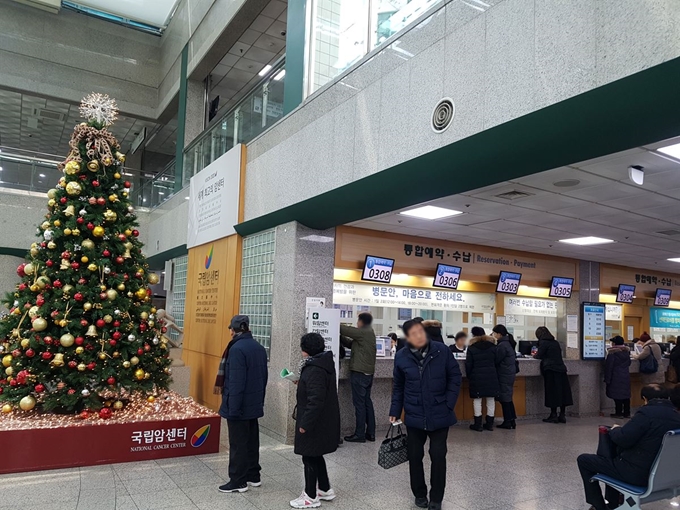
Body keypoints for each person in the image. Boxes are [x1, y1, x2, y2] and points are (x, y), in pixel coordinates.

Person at [390, 319, 462, 510]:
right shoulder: (402, 356)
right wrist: (395, 411)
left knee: (438, 456)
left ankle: (436, 498)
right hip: (414, 413)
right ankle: (419, 494)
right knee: (414, 456)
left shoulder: (442, 350)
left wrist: (449, 403)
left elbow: (455, 377)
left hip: (440, 411)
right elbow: (398, 386)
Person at [577, 384, 680, 510]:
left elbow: (623, 439)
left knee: (584, 460)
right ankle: (613, 502)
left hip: (637, 475)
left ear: (644, 399)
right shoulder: (676, 415)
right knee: (614, 458)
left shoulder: (646, 414)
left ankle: (599, 506)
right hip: (668, 476)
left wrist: (615, 429)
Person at [215, 315, 268, 493]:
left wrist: (233, 408)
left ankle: (238, 481)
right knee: (252, 441)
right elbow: (263, 378)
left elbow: (236, 381)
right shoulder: (259, 348)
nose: (230, 332)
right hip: (253, 403)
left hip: (239, 404)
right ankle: (254, 476)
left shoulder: (237, 349)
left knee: (238, 444)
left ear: (235, 329)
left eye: (231, 328)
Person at [290, 333, 341, 509]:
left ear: (305, 349)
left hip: (315, 422)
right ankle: (325, 489)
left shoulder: (314, 369)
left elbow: (316, 400)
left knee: (309, 457)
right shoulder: (322, 363)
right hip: (323, 420)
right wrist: (301, 383)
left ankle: (310, 496)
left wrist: (305, 424)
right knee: (316, 454)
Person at [340, 312, 377, 443]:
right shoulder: (368, 333)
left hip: (360, 373)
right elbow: (351, 344)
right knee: (367, 402)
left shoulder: (363, 332)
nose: (357, 323)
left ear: (361, 322)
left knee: (359, 404)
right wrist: (341, 338)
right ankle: (370, 433)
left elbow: (345, 329)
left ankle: (359, 434)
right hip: (367, 373)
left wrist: (332, 322)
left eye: (358, 321)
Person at [534, 326, 573, 423]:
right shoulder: (555, 343)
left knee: (552, 393)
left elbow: (539, 355)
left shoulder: (543, 343)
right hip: (561, 369)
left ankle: (553, 414)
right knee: (562, 392)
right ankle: (562, 414)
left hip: (550, 370)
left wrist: (535, 354)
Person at [465, 333, 499, 432]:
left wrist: (470, 376)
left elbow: (468, 364)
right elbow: (497, 362)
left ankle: (478, 424)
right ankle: (489, 424)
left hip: (477, 376)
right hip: (491, 376)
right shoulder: (493, 348)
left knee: (477, 400)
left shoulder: (472, 348)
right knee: (491, 400)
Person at [492, 324, 518, 429]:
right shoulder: (507, 343)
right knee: (507, 397)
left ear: (499, 334)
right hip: (509, 374)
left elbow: (497, 359)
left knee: (504, 398)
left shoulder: (502, 345)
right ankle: (512, 420)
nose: (493, 335)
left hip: (504, 374)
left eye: (494, 333)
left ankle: (507, 421)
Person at [605, 336, 631, 419]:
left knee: (617, 395)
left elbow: (609, 367)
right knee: (626, 395)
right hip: (625, 376)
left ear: (614, 343)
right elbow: (629, 363)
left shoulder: (612, 354)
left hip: (615, 376)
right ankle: (627, 412)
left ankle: (618, 413)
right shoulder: (626, 353)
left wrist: (607, 379)